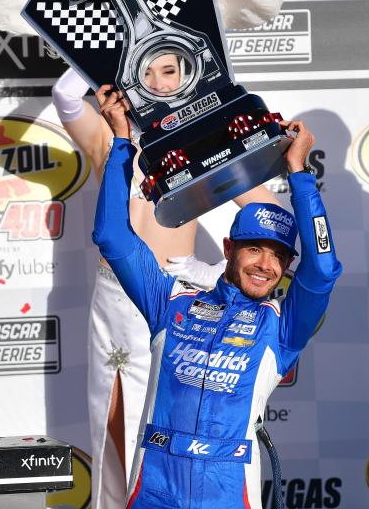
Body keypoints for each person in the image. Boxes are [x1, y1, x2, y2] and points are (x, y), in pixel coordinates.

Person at [90, 84, 341, 509]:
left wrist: (299, 175)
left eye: (279, 256)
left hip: (227, 495)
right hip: (153, 492)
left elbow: (323, 269)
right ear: (228, 249)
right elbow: (112, 236)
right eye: (254, 248)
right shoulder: (169, 302)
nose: (266, 265)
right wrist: (120, 142)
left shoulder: (282, 327)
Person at [51, 67, 278, 508]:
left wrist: (212, 275)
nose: (157, 80)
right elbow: (65, 95)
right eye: (145, 69)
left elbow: (272, 218)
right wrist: (110, 42)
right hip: (111, 303)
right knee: (109, 427)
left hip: (165, 306)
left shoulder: (198, 143)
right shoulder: (110, 138)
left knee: (154, 430)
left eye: (170, 70)